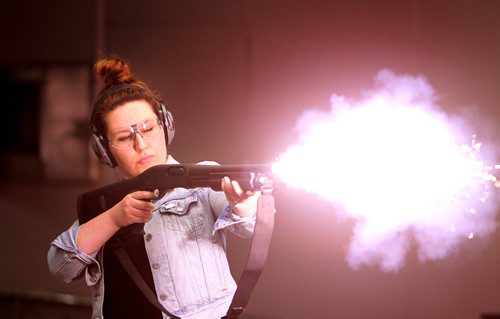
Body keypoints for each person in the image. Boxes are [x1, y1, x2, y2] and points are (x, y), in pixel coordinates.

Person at [47, 55, 259, 319]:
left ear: (165, 126)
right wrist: (115, 217)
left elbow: (248, 225)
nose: (141, 144)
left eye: (148, 129)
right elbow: (60, 265)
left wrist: (242, 201)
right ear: (104, 150)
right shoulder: (106, 205)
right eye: (125, 137)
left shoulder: (200, 181)